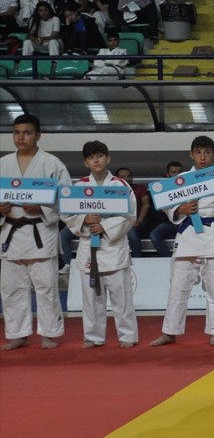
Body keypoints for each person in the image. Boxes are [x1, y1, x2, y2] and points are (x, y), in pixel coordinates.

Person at [149, 136, 214, 348]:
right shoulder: (181, 179)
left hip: (213, 235)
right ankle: (170, 332)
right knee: (178, 288)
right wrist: (180, 209)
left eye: (207, 152)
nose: (203, 157)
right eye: (198, 152)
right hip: (188, 235)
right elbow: (165, 204)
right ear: (191, 154)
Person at [1, 114, 71, 349]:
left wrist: (41, 207)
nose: (21, 137)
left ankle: (48, 333)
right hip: (10, 233)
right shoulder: (3, 163)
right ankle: (17, 333)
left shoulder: (52, 164)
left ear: (38, 135)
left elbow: (67, 198)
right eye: (17, 132)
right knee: (12, 288)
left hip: (41, 231)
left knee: (47, 286)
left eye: (27, 132)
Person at [64, 141, 138, 349]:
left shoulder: (120, 186)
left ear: (108, 158)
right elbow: (68, 215)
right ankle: (93, 336)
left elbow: (130, 215)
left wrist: (105, 226)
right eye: (91, 157)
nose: (96, 160)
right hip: (89, 247)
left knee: (121, 298)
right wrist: (84, 221)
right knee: (91, 298)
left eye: (100, 156)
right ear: (86, 162)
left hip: (113, 247)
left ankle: (127, 335)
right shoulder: (78, 187)